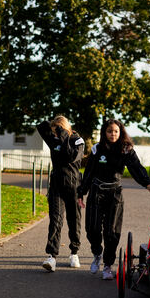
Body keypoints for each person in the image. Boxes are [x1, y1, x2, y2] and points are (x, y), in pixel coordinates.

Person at [77, 119, 150, 280]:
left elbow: (136, 167)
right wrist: (81, 193)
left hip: (115, 194)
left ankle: (107, 266)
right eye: (109, 131)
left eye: (115, 131)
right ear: (104, 133)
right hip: (96, 193)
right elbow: (89, 173)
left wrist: (147, 183)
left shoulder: (126, 149)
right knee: (92, 230)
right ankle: (97, 253)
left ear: (120, 132)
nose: (112, 134)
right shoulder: (97, 149)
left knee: (111, 232)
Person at [37, 115, 85, 272]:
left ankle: (74, 253)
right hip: (56, 186)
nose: (55, 135)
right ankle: (52, 257)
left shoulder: (77, 140)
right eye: (54, 132)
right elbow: (41, 127)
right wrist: (53, 128)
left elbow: (71, 157)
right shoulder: (54, 140)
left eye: (58, 131)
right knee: (55, 221)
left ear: (65, 128)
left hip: (73, 186)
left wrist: (64, 135)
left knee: (74, 220)